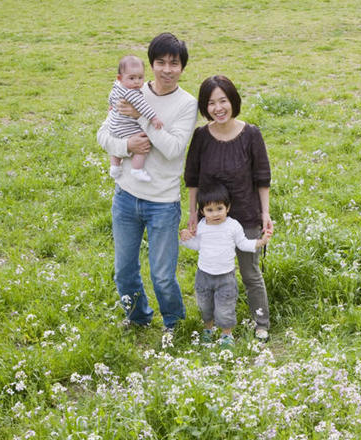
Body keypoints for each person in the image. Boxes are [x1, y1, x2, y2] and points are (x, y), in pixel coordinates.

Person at [96, 33, 198, 333]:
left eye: (174, 64)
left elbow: (173, 148)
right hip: (126, 196)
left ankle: (173, 324)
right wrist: (127, 146)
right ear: (151, 64)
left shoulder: (186, 104)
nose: (167, 70)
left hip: (163, 203)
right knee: (124, 271)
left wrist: (140, 118)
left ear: (182, 67)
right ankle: (138, 317)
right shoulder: (131, 87)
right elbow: (103, 135)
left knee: (162, 274)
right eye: (161, 63)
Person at [184, 75, 273, 341]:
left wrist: (264, 213)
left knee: (250, 273)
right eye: (211, 103)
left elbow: (262, 177)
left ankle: (261, 322)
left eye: (223, 100)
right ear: (205, 107)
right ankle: (213, 324)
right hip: (211, 220)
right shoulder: (201, 136)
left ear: (233, 101)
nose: (218, 108)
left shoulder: (251, 135)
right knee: (211, 271)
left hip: (246, 215)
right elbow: (192, 178)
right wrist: (192, 214)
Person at [179, 184, 271, 347]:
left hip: (226, 277)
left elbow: (242, 244)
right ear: (202, 212)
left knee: (225, 307)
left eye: (219, 208)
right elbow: (197, 245)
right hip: (204, 275)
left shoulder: (233, 226)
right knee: (205, 305)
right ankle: (208, 329)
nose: (215, 214)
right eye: (210, 210)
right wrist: (184, 238)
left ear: (228, 208)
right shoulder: (202, 226)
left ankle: (226, 335)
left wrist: (260, 242)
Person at [107, 54, 163, 182]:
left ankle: (114, 166)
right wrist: (153, 118)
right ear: (120, 78)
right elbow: (143, 106)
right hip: (127, 128)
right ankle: (137, 169)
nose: (137, 82)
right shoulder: (131, 92)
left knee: (116, 140)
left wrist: (111, 105)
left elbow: (111, 96)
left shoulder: (117, 87)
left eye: (140, 77)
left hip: (114, 127)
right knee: (143, 142)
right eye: (132, 78)